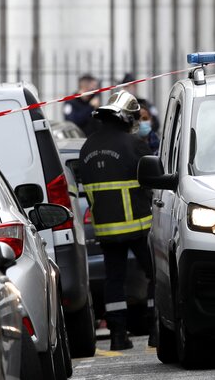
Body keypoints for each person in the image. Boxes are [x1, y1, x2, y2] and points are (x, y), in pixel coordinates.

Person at [77, 90, 156, 350]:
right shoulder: (133, 144)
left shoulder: (87, 146)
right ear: (124, 118)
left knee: (114, 279)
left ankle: (117, 336)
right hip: (140, 225)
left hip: (106, 229)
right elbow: (153, 179)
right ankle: (157, 330)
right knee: (155, 275)